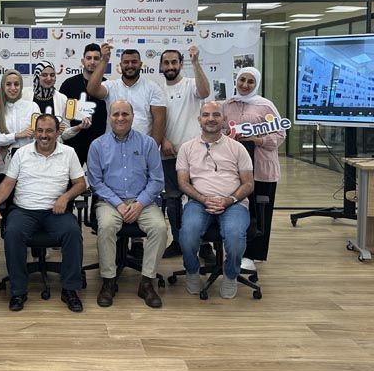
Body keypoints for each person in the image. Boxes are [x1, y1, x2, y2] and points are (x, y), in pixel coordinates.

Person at [0, 114, 86, 313]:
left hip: (55, 212)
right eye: (40, 130)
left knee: (73, 232)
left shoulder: (68, 153)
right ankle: (18, 291)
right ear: (34, 132)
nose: (44, 135)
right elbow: (8, 183)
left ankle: (70, 289)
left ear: (57, 132)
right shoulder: (21, 153)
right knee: (13, 233)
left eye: (49, 131)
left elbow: (80, 183)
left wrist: (65, 197)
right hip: (24, 211)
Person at [88, 100, 166, 309]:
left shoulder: (148, 143)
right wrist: (118, 204)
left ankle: (147, 282)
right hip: (109, 202)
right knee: (106, 226)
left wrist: (139, 204)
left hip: (142, 201)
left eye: (125, 114)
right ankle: (108, 281)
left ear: (133, 116)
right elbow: (95, 182)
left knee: (159, 228)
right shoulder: (97, 145)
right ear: (109, 117)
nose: (120, 118)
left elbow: (157, 180)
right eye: (116, 114)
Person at [176, 102, 254, 299]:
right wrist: (203, 199)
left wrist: (229, 199)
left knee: (235, 236)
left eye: (216, 115)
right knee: (187, 235)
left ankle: (230, 275)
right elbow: (183, 183)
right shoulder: (186, 148)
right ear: (199, 119)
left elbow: (248, 184)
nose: (210, 119)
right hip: (198, 202)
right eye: (206, 115)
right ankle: (192, 271)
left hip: (233, 204)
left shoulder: (237, 148)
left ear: (224, 119)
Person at [222, 67, 284, 271]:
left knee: (260, 212)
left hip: (261, 168)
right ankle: (235, 250)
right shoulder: (227, 105)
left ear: (256, 84)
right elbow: (220, 131)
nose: (245, 85)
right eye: (242, 80)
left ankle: (254, 254)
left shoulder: (265, 106)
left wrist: (257, 139)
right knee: (237, 209)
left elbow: (280, 135)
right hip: (234, 171)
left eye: (250, 81)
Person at [158, 47, 210, 258]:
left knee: (201, 197)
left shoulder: (191, 84)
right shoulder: (157, 90)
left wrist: (195, 63)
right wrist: (163, 139)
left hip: (196, 154)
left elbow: (205, 92)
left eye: (174, 62)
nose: (170, 66)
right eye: (166, 63)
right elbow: (155, 120)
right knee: (173, 199)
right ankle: (178, 241)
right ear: (161, 66)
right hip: (168, 153)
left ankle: (205, 244)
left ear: (180, 64)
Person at [86, 44, 166, 144]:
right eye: (126, 62)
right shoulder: (111, 86)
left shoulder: (153, 88)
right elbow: (92, 90)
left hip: (141, 146)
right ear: (120, 65)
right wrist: (104, 60)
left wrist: (152, 148)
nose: (130, 65)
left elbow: (159, 121)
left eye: (134, 62)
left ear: (141, 64)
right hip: (113, 146)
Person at [59, 43, 108, 165]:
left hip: (100, 143)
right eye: (89, 58)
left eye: (96, 58)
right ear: (82, 61)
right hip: (73, 143)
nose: (92, 62)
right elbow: (60, 113)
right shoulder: (69, 84)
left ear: (101, 61)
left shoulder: (107, 85)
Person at [26, 60, 91, 142]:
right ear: (37, 76)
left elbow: (64, 134)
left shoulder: (62, 99)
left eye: (52, 75)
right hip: (29, 147)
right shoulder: (24, 95)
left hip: (54, 147)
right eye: (44, 75)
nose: (49, 78)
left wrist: (79, 127)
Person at [0, 69, 39, 177]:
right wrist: (17, 135)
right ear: (3, 86)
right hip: (6, 166)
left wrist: (35, 133)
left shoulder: (32, 107)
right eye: (8, 84)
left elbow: (39, 135)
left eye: (16, 84)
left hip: (30, 163)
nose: (13, 88)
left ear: (21, 86)